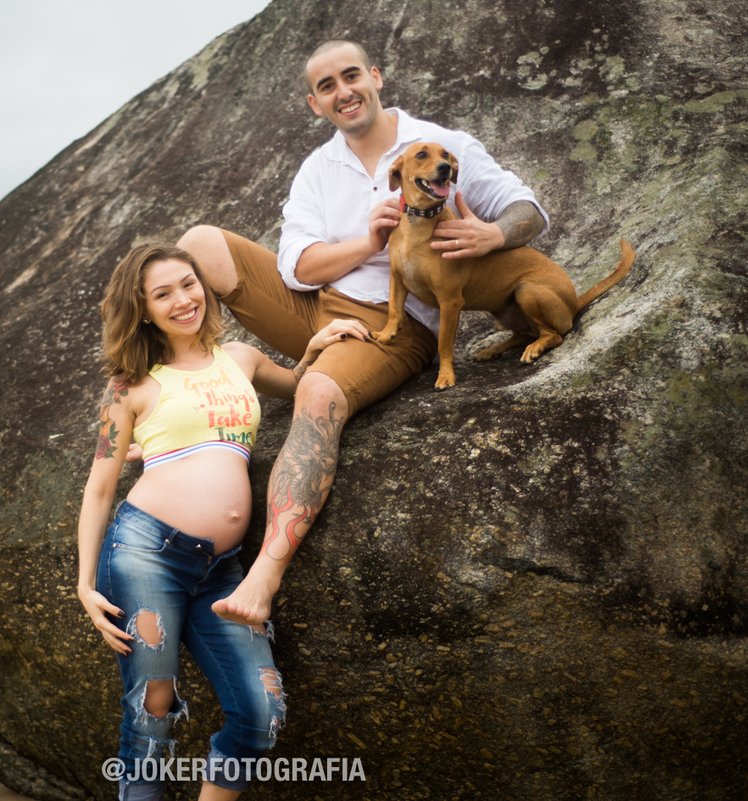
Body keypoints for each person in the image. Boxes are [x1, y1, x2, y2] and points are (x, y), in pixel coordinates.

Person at [178, 39, 550, 626]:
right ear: (314, 103)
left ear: (375, 77)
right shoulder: (318, 167)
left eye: (352, 76)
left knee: (319, 394)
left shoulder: (439, 145)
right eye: (327, 86)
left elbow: (525, 207)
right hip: (314, 306)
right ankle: (187, 388)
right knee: (198, 245)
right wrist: (368, 241)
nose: (343, 91)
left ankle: (263, 577)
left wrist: (494, 236)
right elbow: (295, 263)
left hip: (390, 324)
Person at [76, 242, 369, 801]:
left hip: (221, 570)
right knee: (151, 708)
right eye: (162, 294)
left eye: (189, 284)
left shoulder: (240, 357)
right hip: (145, 553)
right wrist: (85, 584)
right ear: (142, 309)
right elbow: (99, 488)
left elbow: (295, 386)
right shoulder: (129, 387)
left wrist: (314, 351)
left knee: (261, 714)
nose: (183, 300)